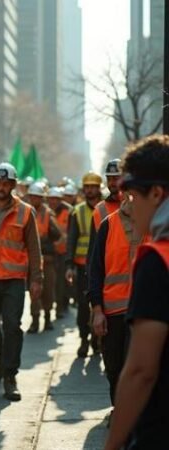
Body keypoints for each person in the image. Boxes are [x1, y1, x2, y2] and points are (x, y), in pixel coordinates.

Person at [104, 135, 169, 450]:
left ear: (156, 194)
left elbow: (142, 370)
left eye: (132, 195)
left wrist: (113, 443)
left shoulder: (158, 259)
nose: (128, 206)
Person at [0, 162, 42, 402]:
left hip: (14, 279)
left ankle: (10, 376)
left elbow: (34, 248)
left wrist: (36, 279)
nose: (1, 187)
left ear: (13, 186)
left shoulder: (25, 211)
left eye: (6, 184)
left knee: (12, 325)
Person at [87, 193, 142, 429]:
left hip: (145, 311)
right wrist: (97, 310)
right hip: (113, 311)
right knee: (114, 366)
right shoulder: (109, 224)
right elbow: (95, 270)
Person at [66, 171, 103, 358]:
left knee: (102, 305)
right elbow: (71, 239)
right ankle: (84, 339)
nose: (90, 190)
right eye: (87, 187)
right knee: (82, 306)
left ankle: (98, 340)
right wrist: (69, 265)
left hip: (105, 266)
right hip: (82, 267)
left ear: (99, 188)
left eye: (93, 187)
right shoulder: (77, 211)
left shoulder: (108, 208)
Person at [24, 182, 62, 333]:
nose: (34, 199)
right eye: (32, 196)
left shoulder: (48, 213)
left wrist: (44, 240)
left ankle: (47, 318)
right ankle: (34, 321)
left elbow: (57, 234)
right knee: (34, 292)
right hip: (32, 261)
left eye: (37, 197)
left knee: (48, 290)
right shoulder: (25, 212)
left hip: (47, 259)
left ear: (42, 198)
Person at [46, 187, 73, 318]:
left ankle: (60, 307)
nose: (53, 201)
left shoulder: (68, 211)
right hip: (50, 253)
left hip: (63, 252)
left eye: (56, 199)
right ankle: (48, 308)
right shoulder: (45, 211)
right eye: (51, 199)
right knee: (50, 282)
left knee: (61, 282)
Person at [93, 159, 123, 230]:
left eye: (115, 179)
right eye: (109, 179)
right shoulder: (99, 209)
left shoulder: (136, 205)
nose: (111, 183)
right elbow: (95, 240)